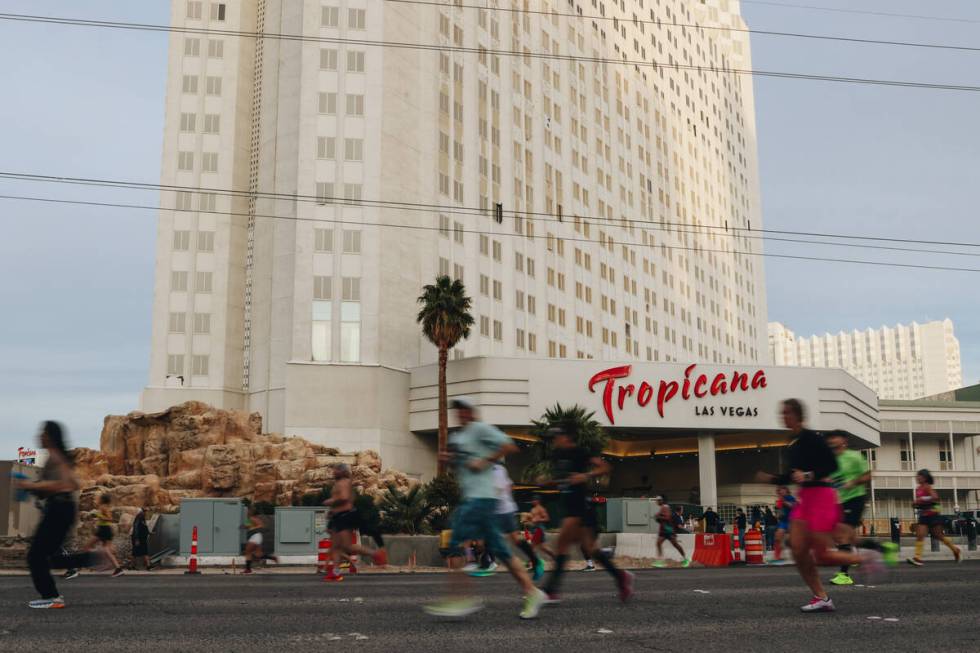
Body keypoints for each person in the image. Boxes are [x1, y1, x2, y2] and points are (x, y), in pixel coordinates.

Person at [756, 399, 886, 613]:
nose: (783, 416)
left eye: (786, 412)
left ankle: (866, 557)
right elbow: (791, 476)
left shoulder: (812, 439)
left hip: (822, 498)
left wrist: (808, 474)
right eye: (782, 412)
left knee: (821, 555)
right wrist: (770, 479)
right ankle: (822, 597)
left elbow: (831, 466)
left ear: (797, 415)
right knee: (798, 550)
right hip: (805, 498)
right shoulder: (793, 442)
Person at [423, 398, 546, 618]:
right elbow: (460, 463)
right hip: (476, 499)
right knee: (503, 552)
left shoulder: (480, 429)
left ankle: (460, 599)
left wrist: (485, 461)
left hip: (480, 499)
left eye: (465, 410)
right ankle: (532, 592)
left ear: (472, 412)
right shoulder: (458, 437)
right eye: (458, 410)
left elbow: (509, 445)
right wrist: (448, 459)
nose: (461, 414)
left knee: (454, 544)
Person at [540, 424, 634, 604]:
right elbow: (563, 479)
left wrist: (586, 475)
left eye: (556, 436)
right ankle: (621, 577)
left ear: (567, 437)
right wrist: (549, 482)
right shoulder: (557, 455)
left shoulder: (580, 452)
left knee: (561, 545)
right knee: (591, 549)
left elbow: (605, 467)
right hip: (569, 505)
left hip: (579, 505)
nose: (554, 440)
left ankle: (551, 590)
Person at [15, 422, 105, 608]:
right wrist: (37, 489)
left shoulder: (56, 457)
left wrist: (32, 486)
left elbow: (67, 485)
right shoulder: (55, 457)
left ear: (50, 436)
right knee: (45, 556)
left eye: (42, 432)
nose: (39, 435)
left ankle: (51, 596)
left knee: (36, 556)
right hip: (60, 509)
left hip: (59, 509)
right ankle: (91, 559)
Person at [826, 430, 879, 585]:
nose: (832, 440)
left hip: (855, 499)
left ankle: (844, 575)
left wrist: (853, 482)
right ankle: (878, 548)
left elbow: (868, 475)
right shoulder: (831, 460)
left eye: (835, 437)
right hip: (838, 501)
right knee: (844, 537)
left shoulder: (854, 456)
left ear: (844, 441)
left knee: (842, 536)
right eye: (830, 438)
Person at [322, 464, 386, 581]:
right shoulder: (340, 483)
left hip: (345, 516)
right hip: (337, 517)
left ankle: (375, 554)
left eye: (336, 470)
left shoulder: (344, 482)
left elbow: (344, 497)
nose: (333, 472)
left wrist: (330, 501)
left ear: (341, 471)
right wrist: (332, 511)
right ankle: (335, 573)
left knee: (347, 547)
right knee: (335, 547)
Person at [491, 462, 544, 581]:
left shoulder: (496, 469)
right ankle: (536, 562)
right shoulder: (497, 468)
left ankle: (488, 563)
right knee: (514, 539)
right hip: (503, 510)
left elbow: (500, 489)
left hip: (503, 511)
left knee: (493, 539)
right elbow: (510, 485)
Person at [907, 469, 961, 566]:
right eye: (917, 476)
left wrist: (921, 499)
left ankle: (955, 550)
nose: (917, 478)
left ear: (925, 478)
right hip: (923, 515)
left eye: (919, 476)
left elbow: (935, 497)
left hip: (933, 515)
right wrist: (915, 504)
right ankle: (918, 558)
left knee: (939, 536)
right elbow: (920, 503)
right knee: (920, 535)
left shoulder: (927, 487)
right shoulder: (918, 489)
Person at [86, 494, 124, 577]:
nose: (97, 499)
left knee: (89, 547)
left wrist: (97, 515)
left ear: (102, 500)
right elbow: (104, 518)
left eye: (98, 498)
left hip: (104, 529)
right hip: (103, 529)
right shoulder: (103, 507)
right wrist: (97, 518)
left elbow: (110, 518)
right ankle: (114, 566)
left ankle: (116, 567)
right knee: (107, 548)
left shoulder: (103, 507)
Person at [652, 496, 689, 568]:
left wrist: (658, 517)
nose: (656, 502)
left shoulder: (665, 507)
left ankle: (685, 559)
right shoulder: (662, 507)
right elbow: (663, 518)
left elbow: (667, 517)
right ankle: (660, 561)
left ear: (661, 501)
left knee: (675, 544)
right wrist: (658, 517)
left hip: (668, 529)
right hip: (664, 530)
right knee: (658, 543)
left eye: (657, 501)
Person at [241, 506, 278, 574]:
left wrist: (253, 528)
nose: (247, 512)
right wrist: (245, 527)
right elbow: (251, 526)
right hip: (256, 536)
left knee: (247, 552)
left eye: (249, 511)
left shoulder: (253, 518)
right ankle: (272, 558)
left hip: (255, 536)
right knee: (258, 555)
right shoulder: (250, 518)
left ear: (251, 512)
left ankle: (248, 569)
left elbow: (261, 525)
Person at [772, 486, 796, 564]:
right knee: (777, 537)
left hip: (791, 521)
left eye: (782, 491)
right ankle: (777, 556)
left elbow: (793, 506)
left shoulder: (790, 497)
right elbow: (779, 510)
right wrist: (778, 514)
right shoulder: (780, 500)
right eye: (779, 491)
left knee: (790, 540)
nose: (781, 492)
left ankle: (796, 556)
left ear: (786, 491)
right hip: (783, 521)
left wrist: (784, 502)